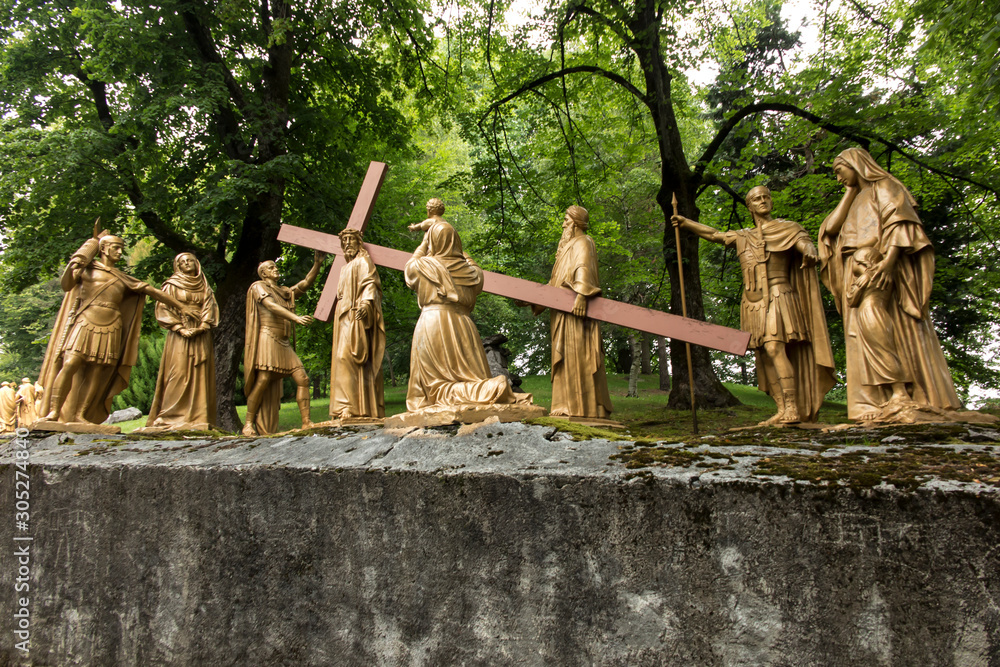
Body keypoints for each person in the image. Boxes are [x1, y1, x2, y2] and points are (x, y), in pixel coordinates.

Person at [672, 187, 836, 423]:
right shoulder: (743, 235)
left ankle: (793, 408)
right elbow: (715, 235)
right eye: (757, 199)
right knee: (764, 355)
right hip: (751, 303)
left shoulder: (787, 228)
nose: (763, 201)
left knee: (774, 348)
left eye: (766, 197)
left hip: (778, 295)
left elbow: (804, 244)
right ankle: (781, 409)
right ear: (749, 206)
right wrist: (686, 222)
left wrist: (809, 250)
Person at [819, 147, 960, 420]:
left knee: (877, 322)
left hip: (879, 264)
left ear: (855, 164)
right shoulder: (856, 196)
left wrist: (889, 262)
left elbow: (900, 223)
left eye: (839, 171)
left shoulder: (885, 185)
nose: (837, 179)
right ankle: (877, 402)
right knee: (861, 332)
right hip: (853, 269)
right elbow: (831, 229)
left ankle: (901, 392)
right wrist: (851, 189)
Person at [38, 228, 198, 425]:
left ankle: (82, 414)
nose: (120, 252)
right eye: (116, 248)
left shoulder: (123, 277)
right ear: (104, 249)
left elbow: (153, 291)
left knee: (98, 371)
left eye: (121, 248)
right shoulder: (88, 269)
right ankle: (54, 412)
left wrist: (181, 306)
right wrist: (76, 261)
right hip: (86, 320)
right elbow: (66, 284)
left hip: (111, 325)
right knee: (70, 363)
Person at [403, 202, 522, 411]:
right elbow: (475, 268)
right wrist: (461, 252)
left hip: (433, 324)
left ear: (432, 242)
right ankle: (486, 389)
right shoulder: (472, 273)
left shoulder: (423, 266)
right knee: (463, 379)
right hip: (464, 328)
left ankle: (489, 389)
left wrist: (424, 243)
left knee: (434, 389)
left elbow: (410, 266)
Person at [531, 205, 613, 419]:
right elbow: (554, 283)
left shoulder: (583, 241)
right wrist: (536, 301)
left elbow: (583, 267)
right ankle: (565, 404)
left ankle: (582, 408)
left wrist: (581, 295)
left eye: (566, 219)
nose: (563, 224)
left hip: (575, 310)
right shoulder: (564, 250)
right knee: (565, 358)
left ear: (576, 222)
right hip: (560, 313)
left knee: (577, 355)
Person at [243, 250, 325, 436]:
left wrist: (317, 265)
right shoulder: (258, 286)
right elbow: (270, 305)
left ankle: (306, 422)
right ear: (263, 273)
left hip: (284, 342)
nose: (276, 269)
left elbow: (305, 284)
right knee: (263, 380)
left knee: (302, 378)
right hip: (267, 337)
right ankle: (248, 424)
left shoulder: (284, 291)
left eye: (275, 266)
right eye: (271, 267)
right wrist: (295, 318)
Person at [145, 253, 220, 430]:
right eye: (182, 262)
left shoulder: (204, 286)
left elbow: (210, 306)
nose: (187, 264)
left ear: (197, 263)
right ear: (177, 266)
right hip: (179, 334)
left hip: (201, 333)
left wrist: (203, 326)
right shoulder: (171, 285)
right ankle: (169, 416)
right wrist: (180, 328)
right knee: (177, 373)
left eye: (190, 260)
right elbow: (163, 307)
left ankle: (199, 417)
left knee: (199, 374)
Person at [845, 247, 914, 418]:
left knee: (882, 351)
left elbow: (851, 299)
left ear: (862, 262)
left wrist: (857, 283)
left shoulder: (867, 276)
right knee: (883, 349)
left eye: (855, 261)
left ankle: (900, 392)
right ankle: (898, 392)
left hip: (870, 313)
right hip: (880, 311)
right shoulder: (886, 273)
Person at [329, 229, 385, 420]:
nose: (347, 243)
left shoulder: (363, 261)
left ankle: (351, 407)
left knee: (348, 357)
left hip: (355, 315)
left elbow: (370, 283)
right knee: (340, 359)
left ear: (359, 242)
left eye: (351, 239)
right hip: (342, 316)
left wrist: (365, 303)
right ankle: (345, 407)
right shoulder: (345, 268)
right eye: (344, 240)